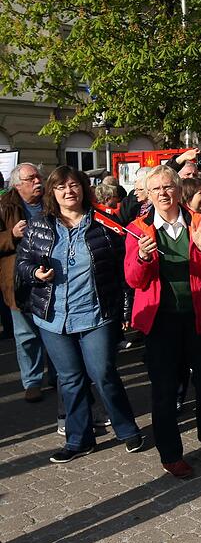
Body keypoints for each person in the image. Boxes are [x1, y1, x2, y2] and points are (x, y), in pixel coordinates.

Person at [15, 166, 143, 463]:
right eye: (61, 187)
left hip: (96, 314)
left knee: (103, 373)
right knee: (70, 379)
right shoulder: (39, 226)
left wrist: (126, 309)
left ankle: (126, 429)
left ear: (83, 188)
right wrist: (35, 272)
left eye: (73, 185)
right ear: (53, 192)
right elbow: (22, 265)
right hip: (53, 316)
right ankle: (79, 439)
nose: (68, 191)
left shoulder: (104, 225)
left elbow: (122, 272)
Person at [124, 165, 201, 478]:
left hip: (197, 319)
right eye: (156, 190)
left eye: (168, 187)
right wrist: (142, 258)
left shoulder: (199, 223)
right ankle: (171, 453)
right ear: (148, 196)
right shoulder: (138, 229)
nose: (164, 194)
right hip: (160, 323)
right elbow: (134, 280)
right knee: (164, 390)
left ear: (179, 190)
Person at [1, 163, 56, 403]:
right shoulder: (5, 207)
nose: (38, 181)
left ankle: (59, 375)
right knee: (26, 335)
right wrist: (10, 235)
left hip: (52, 275)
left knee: (55, 330)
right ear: (17, 184)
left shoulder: (52, 202)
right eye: (31, 178)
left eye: (38, 177)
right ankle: (32, 382)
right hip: (18, 280)